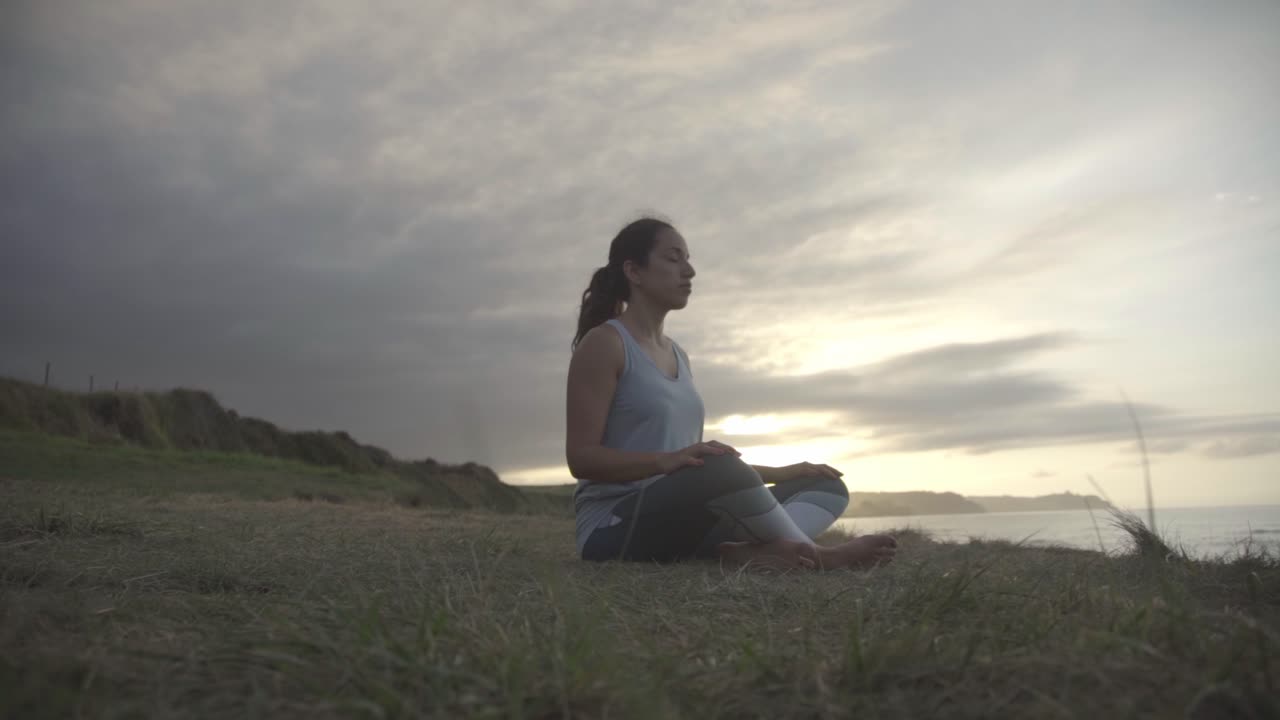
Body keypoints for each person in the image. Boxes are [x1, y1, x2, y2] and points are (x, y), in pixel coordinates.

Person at [565, 217, 898, 571]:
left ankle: (748, 552)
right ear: (634, 271)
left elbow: (695, 466)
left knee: (824, 485)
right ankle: (818, 556)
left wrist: (782, 472)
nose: (689, 271)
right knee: (717, 465)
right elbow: (582, 459)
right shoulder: (605, 344)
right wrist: (666, 461)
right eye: (674, 259)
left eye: (688, 259)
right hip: (612, 527)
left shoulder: (678, 355)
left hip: (680, 515)